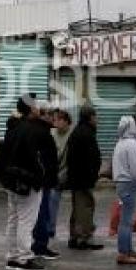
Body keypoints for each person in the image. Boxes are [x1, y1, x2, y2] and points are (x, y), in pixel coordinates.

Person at [0, 94, 46, 270]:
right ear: (31, 108)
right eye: (35, 105)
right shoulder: (30, 130)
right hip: (26, 182)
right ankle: (24, 258)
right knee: (26, 221)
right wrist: (38, 176)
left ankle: (12, 256)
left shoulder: (12, 128)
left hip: (12, 181)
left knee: (13, 220)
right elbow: (33, 158)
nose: (38, 108)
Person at [112, 115, 136, 265]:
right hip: (130, 184)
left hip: (123, 184)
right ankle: (123, 252)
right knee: (126, 221)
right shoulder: (132, 145)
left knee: (127, 220)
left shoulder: (121, 143)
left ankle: (128, 250)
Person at [65, 105, 104, 250]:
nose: (98, 119)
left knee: (77, 207)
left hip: (76, 177)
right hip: (83, 178)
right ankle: (84, 238)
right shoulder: (86, 133)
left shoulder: (77, 131)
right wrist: (93, 174)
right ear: (90, 117)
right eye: (96, 116)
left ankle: (74, 236)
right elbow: (91, 158)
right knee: (85, 206)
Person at [32, 106, 61, 260]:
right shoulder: (42, 134)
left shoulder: (42, 132)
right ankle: (40, 246)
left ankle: (39, 244)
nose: (54, 119)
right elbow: (45, 160)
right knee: (43, 213)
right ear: (44, 116)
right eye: (51, 115)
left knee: (42, 213)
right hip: (45, 181)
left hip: (44, 180)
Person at [47, 110, 73, 244]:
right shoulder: (51, 133)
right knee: (52, 199)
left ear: (67, 121)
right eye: (55, 120)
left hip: (68, 171)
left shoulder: (72, 134)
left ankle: (75, 230)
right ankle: (50, 228)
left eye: (59, 119)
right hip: (54, 172)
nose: (56, 122)